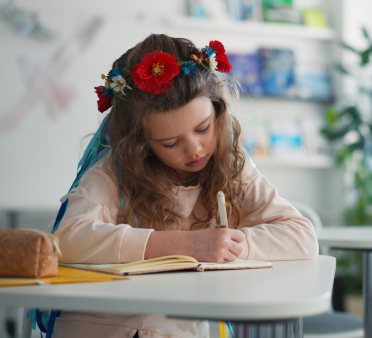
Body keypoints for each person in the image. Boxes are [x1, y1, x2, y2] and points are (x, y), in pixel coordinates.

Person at [50, 33, 319, 337]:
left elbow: (302, 236)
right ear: (140, 143)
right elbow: (67, 240)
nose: (195, 149)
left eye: (203, 128)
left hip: (185, 326)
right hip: (105, 327)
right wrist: (187, 246)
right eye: (170, 142)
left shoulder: (230, 164)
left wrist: (226, 247)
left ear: (218, 110)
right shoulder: (113, 171)